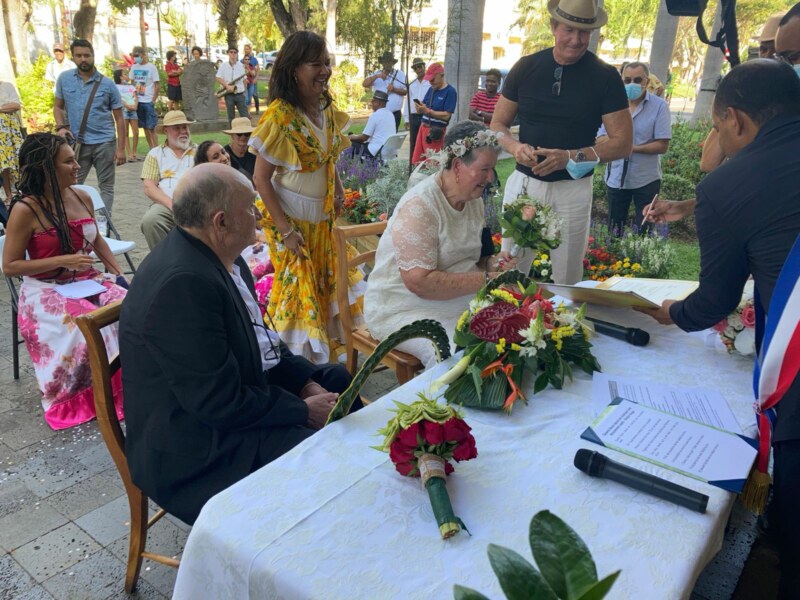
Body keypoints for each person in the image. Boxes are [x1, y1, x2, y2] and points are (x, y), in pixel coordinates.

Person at [638, 59, 800, 599]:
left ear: (733, 119)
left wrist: (673, 314)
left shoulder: (731, 181)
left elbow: (715, 301)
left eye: (713, 126)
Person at [120, 162, 360, 525]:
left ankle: (357, 495)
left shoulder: (222, 258)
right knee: (312, 451)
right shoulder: (182, 285)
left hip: (226, 404)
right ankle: (318, 536)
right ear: (220, 222)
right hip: (192, 447)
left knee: (339, 382)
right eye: (250, 208)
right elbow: (217, 402)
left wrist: (307, 384)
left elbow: (264, 345)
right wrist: (302, 410)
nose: (260, 216)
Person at [491, 0, 632, 284]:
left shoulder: (605, 77)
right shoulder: (525, 67)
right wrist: (514, 147)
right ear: (553, 26)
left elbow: (622, 143)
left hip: (573, 189)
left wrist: (569, 156)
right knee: (509, 270)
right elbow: (498, 125)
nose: (576, 40)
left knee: (568, 276)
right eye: (569, 30)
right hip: (524, 185)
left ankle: (566, 326)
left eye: (584, 32)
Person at [250, 31, 365, 363]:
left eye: (326, 63)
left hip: (323, 221)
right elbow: (260, 178)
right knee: (299, 296)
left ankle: (327, 364)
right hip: (292, 224)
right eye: (315, 64)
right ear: (293, 69)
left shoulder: (326, 110)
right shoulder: (279, 117)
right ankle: (291, 367)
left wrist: (339, 190)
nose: (324, 71)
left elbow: (329, 158)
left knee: (327, 289)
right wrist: (286, 232)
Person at [1, 133, 127, 430]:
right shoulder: (25, 209)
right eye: (68, 161)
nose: (76, 165)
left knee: (129, 307)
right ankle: (99, 397)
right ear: (47, 167)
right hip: (45, 290)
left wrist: (118, 276)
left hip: (87, 280)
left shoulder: (82, 196)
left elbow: (99, 245)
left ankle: (134, 386)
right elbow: (9, 266)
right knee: (92, 322)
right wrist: (62, 260)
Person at [365, 121, 517, 367]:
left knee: (518, 324)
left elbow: (481, 258)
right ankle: (448, 403)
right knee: (453, 353)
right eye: (485, 169)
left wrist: (495, 263)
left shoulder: (473, 200)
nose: (491, 178)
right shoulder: (420, 206)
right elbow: (420, 282)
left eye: (493, 169)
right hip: (403, 307)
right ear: (457, 165)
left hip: (457, 297)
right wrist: (488, 279)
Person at [54, 40, 126, 215]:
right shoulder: (64, 79)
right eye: (78, 55)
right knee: (72, 185)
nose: (83, 59)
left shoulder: (107, 84)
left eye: (87, 55)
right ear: (73, 57)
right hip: (78, 144)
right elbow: (58, 107)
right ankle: (75, 220)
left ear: (93, 56)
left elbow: (119, 118)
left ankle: (104, 224)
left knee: (107, 187)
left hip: (105, 142)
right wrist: (61, 127)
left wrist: (121, 149)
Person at [598, 61, 670, 233]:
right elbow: (599, 139)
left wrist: (628, 147)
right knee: (614, 231)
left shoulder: (659, 106)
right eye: (627, 80)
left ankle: (639, 260)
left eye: (637, 80)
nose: (632, 84)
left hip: (646, 179)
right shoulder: (612, 105)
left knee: (644, 232)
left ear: (647, 81)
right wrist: (618, 143)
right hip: (615, 178)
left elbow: (662, 145)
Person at [140, 110, 197, 250]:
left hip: (197, 204)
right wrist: (171, 205)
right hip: (167, 204)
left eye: (185, 127)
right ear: (166, 130)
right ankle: (166, 262)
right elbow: (149, 187)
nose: (183, 131)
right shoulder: (155, 154)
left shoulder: (200, 151)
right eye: (177, 128)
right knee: (151, 220)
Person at [411, 63, 457, 165]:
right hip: (423, 128)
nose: (431, 82)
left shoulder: (450, 91)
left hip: (435, 131)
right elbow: (426, 106)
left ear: (441, 75)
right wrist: (420, 108)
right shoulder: (431, 89)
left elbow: (447, 115)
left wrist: (428, 111)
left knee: (433, 162)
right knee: (417, 161)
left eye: (433, 79)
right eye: (429, 80)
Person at [362, 52, 407, 131]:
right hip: (380, 113)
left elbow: (405, 92)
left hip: (395, 113)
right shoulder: (376, 73)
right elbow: (365, 84)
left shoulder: (400, 74)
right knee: (380, 135)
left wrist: (394, 89)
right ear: (382, 63)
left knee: (391, 137)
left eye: (389, 61)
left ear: (392, 63)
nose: (387, 63)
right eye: (385, 61)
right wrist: (377, 76)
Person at [348, 90, 395, 161]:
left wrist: (350, 137)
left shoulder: (375, 115)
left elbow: (363, 138)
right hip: (389, 151)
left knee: (349, 144)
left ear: (378, 103)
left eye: (373, 101)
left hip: (375, 151)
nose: (371, 103)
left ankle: (352, 169)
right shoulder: (390, 114)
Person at [130, 46, 160, 149]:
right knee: (145, 128)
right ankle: (151, 148)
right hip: (138, 101)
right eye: (134, 56)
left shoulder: (151, 67)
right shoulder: (134, 67)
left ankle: (157, 148)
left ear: (143, 55)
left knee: (152, 127)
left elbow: (157, 84)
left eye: (137, 55)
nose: (135, 58)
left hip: (148, 101)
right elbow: (132, 82)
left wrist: (153, 100)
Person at [0, 80, 24, 204]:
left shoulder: (7, 86)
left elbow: (16, 105)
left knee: (18, 159)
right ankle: (9, 195)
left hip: (10, 132)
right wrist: (5, 107)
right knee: (3, 164)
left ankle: (22, 191)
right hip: (1, 137)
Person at [403, 57, 431, 160]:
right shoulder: (412, 84)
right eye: (416, 68)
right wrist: (406, 119)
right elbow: (407, 101)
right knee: (413, 142)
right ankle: (413, 163)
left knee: (426, 140)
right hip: (414, 116)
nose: (418, 70)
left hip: (426, 114)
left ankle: (427, 164)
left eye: (420, 67)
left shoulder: (430, 82)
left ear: (424, 67)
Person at [113, 69, 140, 162]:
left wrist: (135, 106)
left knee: (136, 132)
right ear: (120, 77)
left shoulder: (131, 86)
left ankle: (134, 152)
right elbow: (118, 99)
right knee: (126, 132)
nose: (126, 75)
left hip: (133, 111)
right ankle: (129, 154)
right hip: (123, 111)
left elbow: (135, 97)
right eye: (124, 74)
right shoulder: (115, 87)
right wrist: (127, 106)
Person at [217, 46, 248, 125]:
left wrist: (244, 91)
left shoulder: (241, 65)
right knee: (231, 116)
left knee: (244, 115)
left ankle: (246, 134)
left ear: (237, 54)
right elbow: (218, 77)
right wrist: (227, 86)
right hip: (229, 94)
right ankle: (233, 134)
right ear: (228, 53)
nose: (233, 54)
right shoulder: (223, 65)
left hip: (240, 94)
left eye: (235, 52)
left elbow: (245, 79)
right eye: (231, 52)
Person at [243, 43, 260, 113]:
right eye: (245, 49)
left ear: (250, 50)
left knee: (255, 95)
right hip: (246, 82)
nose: (246, 50)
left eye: (247, 49)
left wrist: (256, 78)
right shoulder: (242, 60)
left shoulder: (254, 60)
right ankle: (247, 112)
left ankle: (257, 108)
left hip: (253, 80)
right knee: (247, 97)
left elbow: (258, 70)